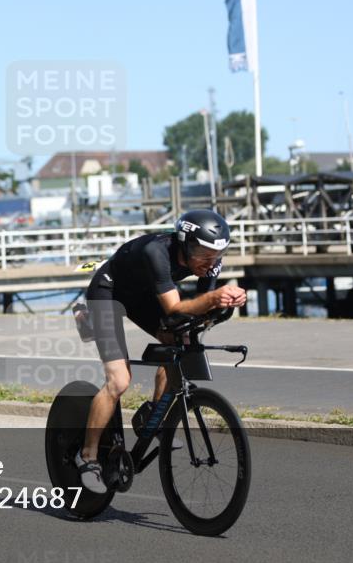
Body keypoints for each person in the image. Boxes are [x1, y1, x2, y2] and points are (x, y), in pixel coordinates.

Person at [76, 210, 247, 493]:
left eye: (217, 255)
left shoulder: (210, 262)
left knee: (182, 343)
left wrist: (225, 304)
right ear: (184, 244)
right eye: (203, 254)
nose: (210, 262)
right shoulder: (157, 252)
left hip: (144, 296)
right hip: (109, 292)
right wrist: (213, 299)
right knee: (119, 381)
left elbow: (199, 313)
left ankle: (152, 418)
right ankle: (88, 458)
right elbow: (175, 308)